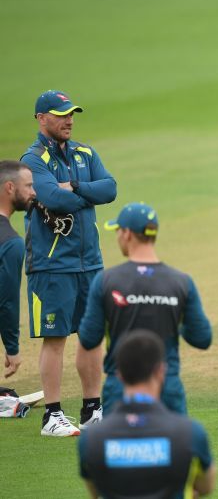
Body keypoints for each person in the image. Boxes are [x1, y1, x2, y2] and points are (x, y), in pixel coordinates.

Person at [21, 90, 117, 436]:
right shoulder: (32, 160)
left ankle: (93, 410)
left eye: (71, 113)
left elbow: (109, 189)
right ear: (41, 118)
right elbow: (51, 196)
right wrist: (82, 193)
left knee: (91, 336)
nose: (69, 120)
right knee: (55, 337)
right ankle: (52, 416)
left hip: (89, 263)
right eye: (61, 114)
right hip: (52, 265)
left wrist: (75, 185)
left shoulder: (85, 153)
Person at [77, 202, 212, 414]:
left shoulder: (105, 281)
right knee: (171, 446)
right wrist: (176, 320)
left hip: (120, 387)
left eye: (118, 231)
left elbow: (88, 338)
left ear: (128, 234)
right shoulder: (181, 282)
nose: (118, 237)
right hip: (167, 386)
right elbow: (202, 338)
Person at [78, 329, 216, 498]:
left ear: (119, 375)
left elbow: (96, 491)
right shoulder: (191, 433)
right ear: (161, 371)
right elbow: (206, 486)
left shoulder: (91, 438)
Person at [0, 162, 36, 379]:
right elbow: (7, 301)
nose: (34, 192)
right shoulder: (10, 243)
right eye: (29, 186)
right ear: (10, 187)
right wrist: (12, 348)